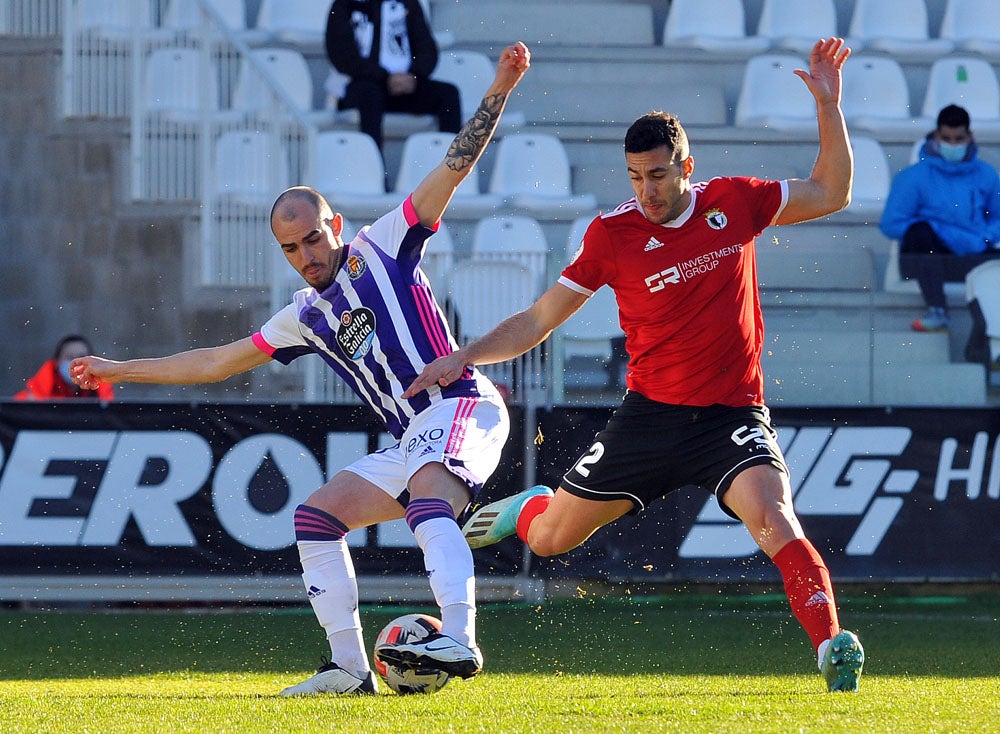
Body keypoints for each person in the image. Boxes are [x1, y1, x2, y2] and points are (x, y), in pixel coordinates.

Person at [404, 38, 866, 693]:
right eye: (635, 177)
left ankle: (832, 648)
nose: (646, 191)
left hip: (729, 417)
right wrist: (464, 354)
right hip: (647, 418)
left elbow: (831, 191)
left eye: (658, 175)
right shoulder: (612, 235)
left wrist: (828, 106)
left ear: (686, 167)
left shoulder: (734, 202)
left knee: (774, 518)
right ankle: (533, 505)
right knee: (548, 542)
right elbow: (538, 320)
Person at [71, 41, 531, 696]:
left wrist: (501, 88)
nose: (307, 254)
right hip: (415, 435)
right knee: (315, 518)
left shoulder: (384, 244)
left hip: (462, 404)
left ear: (335, 224)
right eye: (292, 247)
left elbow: (451, 170)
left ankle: (461, 636)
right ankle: (349, 669)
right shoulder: (303, 315)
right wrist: (119, 369)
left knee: (430, 497)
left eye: (314, 237)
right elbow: (215, 363)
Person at [879, 104, 1000, 333]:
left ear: (969, 136)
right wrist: (939, 230)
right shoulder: (914, 177)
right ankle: (937, 311)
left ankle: (989, 338)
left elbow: (998, 217)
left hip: (968, 257)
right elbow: (891, 223)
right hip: (928, 258)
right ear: (936, 136)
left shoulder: (986, 175)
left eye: (958, 138)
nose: (952, 144)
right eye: (947, 138)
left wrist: (985, 237)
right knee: (920, 232)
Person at [326, 0, 462, 154]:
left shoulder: (409, 4)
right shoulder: (345, 5)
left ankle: (451, 169)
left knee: (448, 94)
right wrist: (384, 77)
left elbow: (427, 49)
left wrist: (414, 76)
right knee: (370, 94)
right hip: (360, 85)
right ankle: (374, 169)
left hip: (405, 83)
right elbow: (342, 54)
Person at [14, 334, 114, 401]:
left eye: (82, 357)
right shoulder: (32, 397)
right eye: (69, 357)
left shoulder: (102, 392)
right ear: (57, 362)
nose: (76, 363)